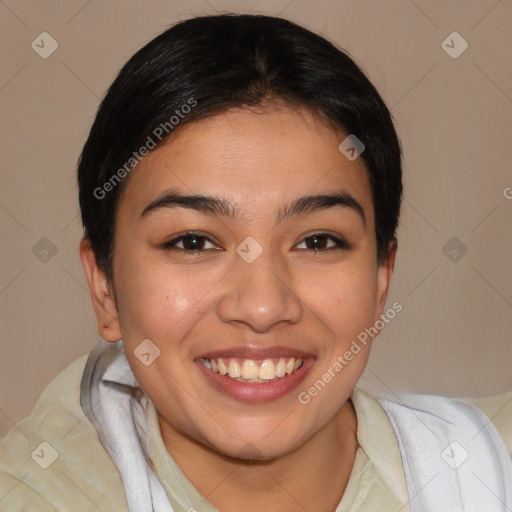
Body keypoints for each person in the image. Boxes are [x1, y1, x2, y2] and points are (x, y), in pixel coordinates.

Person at [0, 13, 510, 512]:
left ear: (381, 280)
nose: (263, 306)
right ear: (104, 286)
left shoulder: (487, 473)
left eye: (317, 241)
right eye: (194, 242)